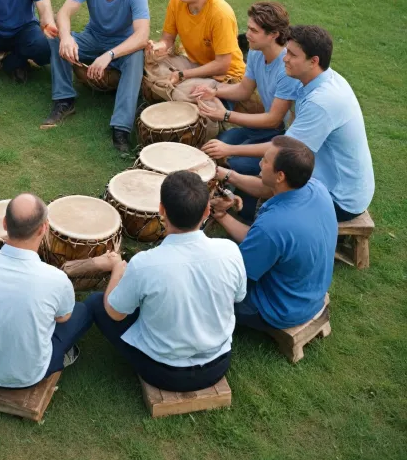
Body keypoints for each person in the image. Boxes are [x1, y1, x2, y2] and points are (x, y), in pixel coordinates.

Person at [85, 171, 246, 392]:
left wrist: (116, 271)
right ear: (207, 211)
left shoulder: (144, 264)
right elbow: (239, 297)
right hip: (218, 363)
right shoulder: (230, 251)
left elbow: (115, 313)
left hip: (163, 372)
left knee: (96, 303)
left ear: (161, 210)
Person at [216, 25, 375, 222]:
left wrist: (227, 159)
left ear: (313, 61)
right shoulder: (316, 80)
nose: (285, 58)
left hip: (339, 199)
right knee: (254, 174)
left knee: (254, 207)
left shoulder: (322, 102)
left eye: (292, 54)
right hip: (330, 179)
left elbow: (285, 151)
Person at [0, 194, 94, 388]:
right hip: (27, 377)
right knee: (83, 311)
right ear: (44, 228)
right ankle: (61, 357)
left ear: (4, 223)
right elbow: (63, 318)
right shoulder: (57, 279)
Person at [211, 136, 336, 331]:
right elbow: (262, 241)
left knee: (207, 288)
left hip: (280, 309)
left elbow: (237, 280)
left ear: (280, 177)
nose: (260, 163)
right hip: (310, 291)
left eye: (265, 161)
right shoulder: (317, 189)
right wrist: (220, 215)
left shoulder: (272, 226)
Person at [193, 1, 301, 218]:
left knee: (237, 159)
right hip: (268, 128)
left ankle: (249, 208)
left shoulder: (286, 67)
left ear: (273, 35)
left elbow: (273, 120)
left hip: (284, 135)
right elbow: (244, 90)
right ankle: (226, 191)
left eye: (254, 30)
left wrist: (224, 114)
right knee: (223, 140)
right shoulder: (255, 52)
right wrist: (215, 91)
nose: (247, 34)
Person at [40, 0, 150, 153]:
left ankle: (121, 128)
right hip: (93, 37)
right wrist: (66, 38)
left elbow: (142, 36)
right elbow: (63, 14)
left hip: (122, 45)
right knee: (55, 37)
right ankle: (64, 100)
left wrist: (109, 55)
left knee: (136, 56)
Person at [144, 0, 245, 104]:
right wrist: (156, 48)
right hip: (195, 64)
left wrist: (183, 74)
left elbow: (222, 66)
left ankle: (178, 91)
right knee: (145, 59)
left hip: (225, 77)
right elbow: (167, 40)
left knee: (190, 94)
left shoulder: (221, 14)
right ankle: (176, 89)